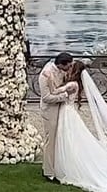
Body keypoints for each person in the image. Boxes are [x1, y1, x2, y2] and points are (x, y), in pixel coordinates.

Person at [39, 52, 78, 182]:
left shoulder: (62, 70)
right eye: (69, 65)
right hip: (49, 111)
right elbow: (46, 98)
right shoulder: (46, 74)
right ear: (62, 64)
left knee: (60, 140)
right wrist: (64, 96)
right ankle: (49, 172)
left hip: (61, 109)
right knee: (50, 141)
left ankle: (58, 167)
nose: (70, 68)